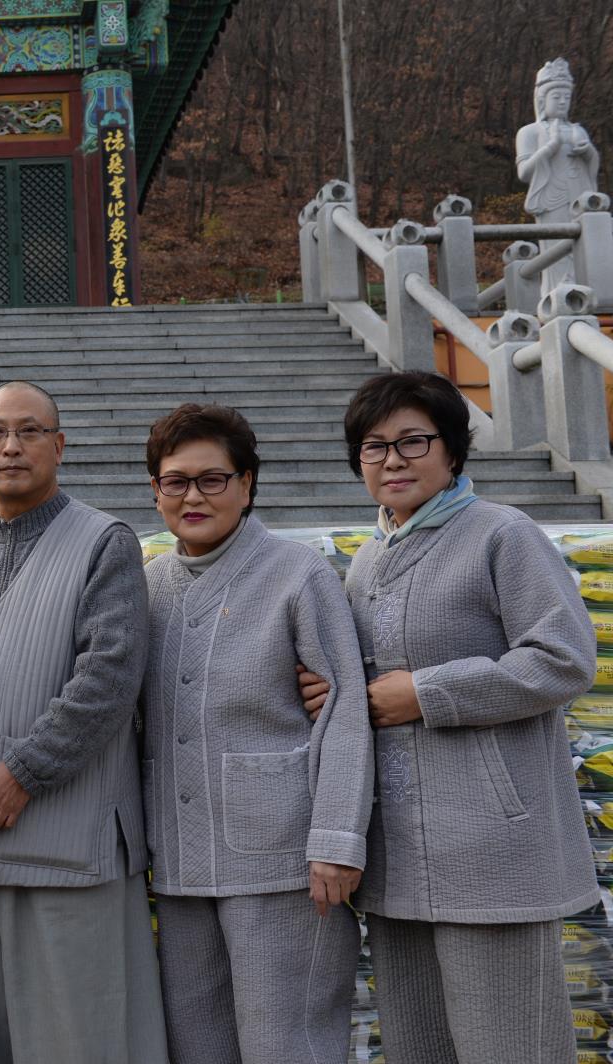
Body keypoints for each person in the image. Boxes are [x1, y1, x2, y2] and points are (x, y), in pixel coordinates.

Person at [339, 370, 597, 1063]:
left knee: (512, 1049)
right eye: (373, 446)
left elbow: (565, 659)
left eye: (412, 441)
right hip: (396, 858)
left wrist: (427, 693)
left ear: (452, 451)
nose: (392, 459)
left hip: (490, 852)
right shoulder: (366, 561)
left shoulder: (501, 535)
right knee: (422, 1051)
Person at [0, 380, 168, 1064]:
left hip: (67, 835)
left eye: (30, 431)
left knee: (78, 1034)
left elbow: (109, 679)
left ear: (59, 447)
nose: (12, 446)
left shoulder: (105, 542)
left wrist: (25, 772)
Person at [139, 402, 372, 1064]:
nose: (193, 495)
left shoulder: (297, 572)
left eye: (213, 479)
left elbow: (344, 706)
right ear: (155, 491)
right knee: (196, 1044)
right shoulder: (149, 584)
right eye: (175, 480)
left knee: (288, 1044)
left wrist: (336, 839)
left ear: (246, 484)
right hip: (179, 868)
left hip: (283, 863)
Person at [515, 58, 601, 290]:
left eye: (567, 96)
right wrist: (549, 148)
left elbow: (593, 167)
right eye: (556, 97)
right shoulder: (529, 132)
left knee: (586, 248)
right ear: (542, 100)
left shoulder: (577, 130)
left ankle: (590, 292)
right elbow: (524, 172)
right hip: (552, 197)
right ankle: (558, 295)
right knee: (556, 251)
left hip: (579, 194)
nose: (563, 101)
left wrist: (589, 153)